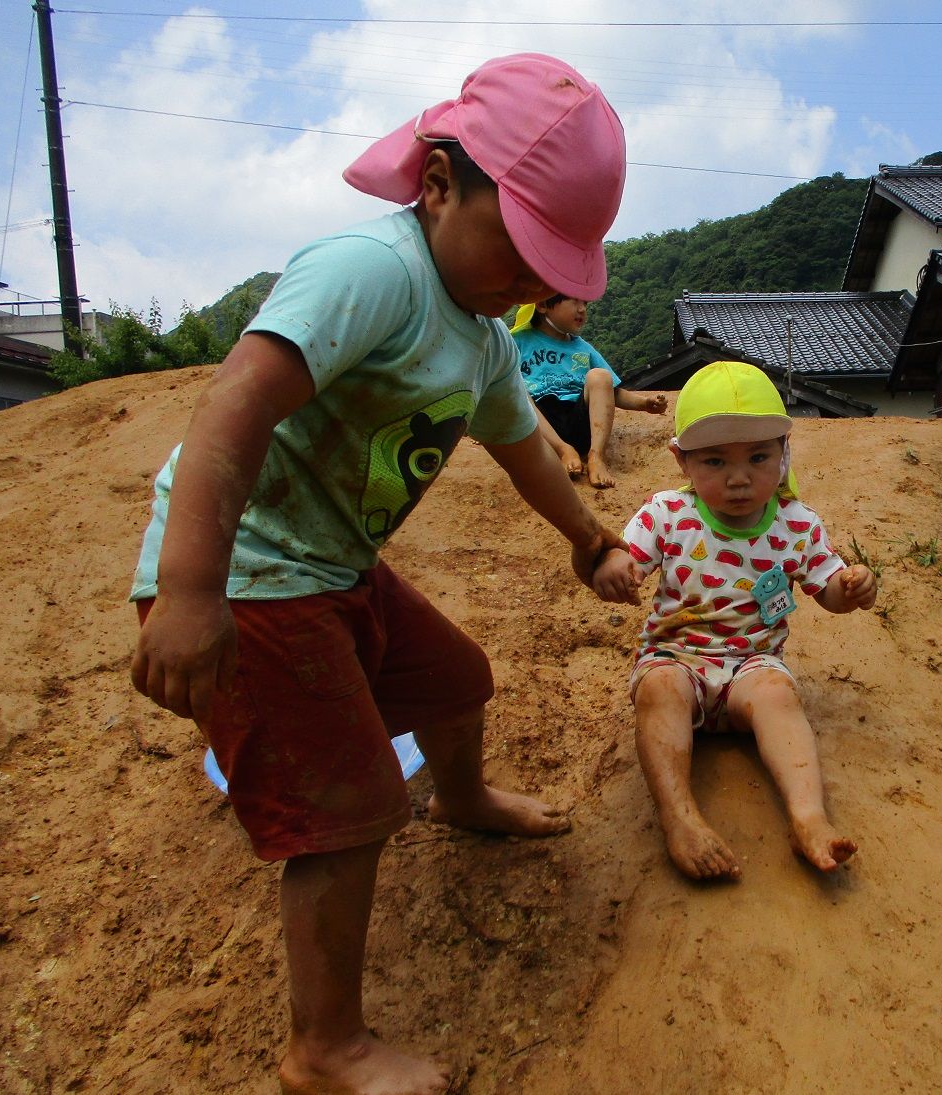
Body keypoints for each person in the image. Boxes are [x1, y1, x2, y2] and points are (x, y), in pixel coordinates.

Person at [127, 54, 629, 1095]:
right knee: (350, 806)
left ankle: (461, 796)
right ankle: (322, 1049)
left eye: (554, 267)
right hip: (246, 574)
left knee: (455, 679)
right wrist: (187, 595)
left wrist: (590, 540)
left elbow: (527, 449)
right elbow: (234, 405)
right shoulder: (373, 271)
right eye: (523, 248)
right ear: (439, 184)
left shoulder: (484, 339)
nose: (533, 283)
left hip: (333, 567)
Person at [592, 361, 875, 881]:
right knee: (658, 689)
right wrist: (610, 565)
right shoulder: (667, 514)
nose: (740, 477)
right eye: (716, 460)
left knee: (778, 697)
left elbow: (829, 592)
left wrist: (852, 587)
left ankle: (808, 817)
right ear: (682, 461)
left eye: (759, 457)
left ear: (783, 453)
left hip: (753, 663)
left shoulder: (797, 524)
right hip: (675, 656)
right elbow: (624, 559)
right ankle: (680, 820)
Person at [512, 295, 668, 488]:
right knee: (515, 387)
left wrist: (644, 403)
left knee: (600, 375)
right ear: (543, 304)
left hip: (579, 419)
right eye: (574, 301)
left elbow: (610, 391)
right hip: (540, 426)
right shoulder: (517, 342)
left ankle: (596, 456)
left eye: (584, 303)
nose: (582, 309)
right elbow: (499, 386)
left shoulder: (583, 348)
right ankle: (563, 450)